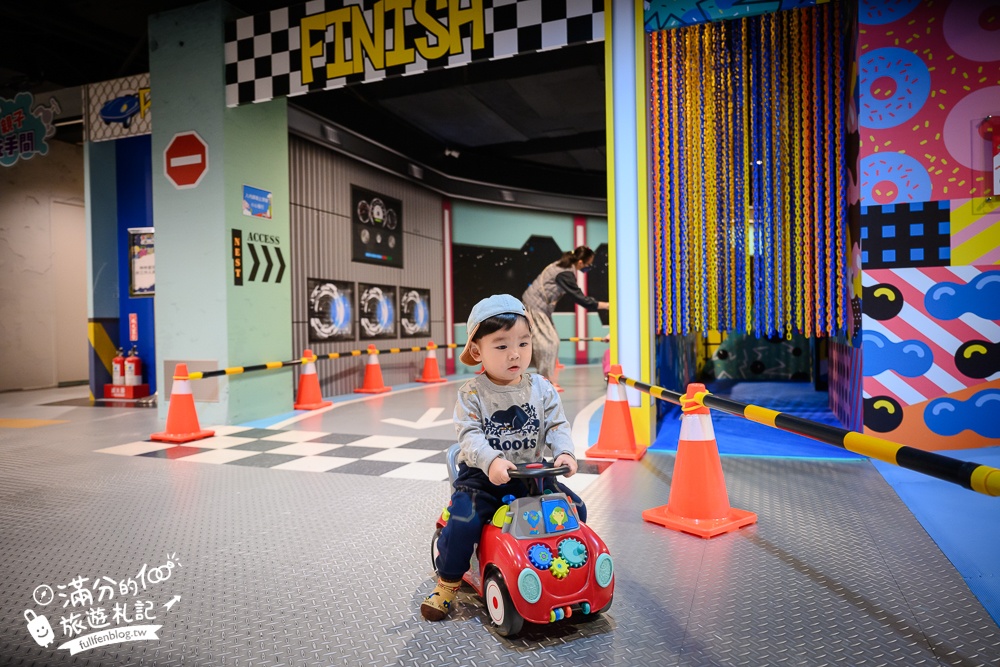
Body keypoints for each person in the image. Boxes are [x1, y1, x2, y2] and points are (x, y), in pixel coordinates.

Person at [420, 294, 587, 621]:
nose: (515, 354)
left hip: (535, 478)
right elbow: (469, 436)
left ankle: (566, 571)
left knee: (576, 509)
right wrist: (492, 461)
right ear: (478, 350)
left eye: (523, 344)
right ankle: (448, 583)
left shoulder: (541, 387)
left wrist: (564, 452)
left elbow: (556, 424)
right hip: (484, 481)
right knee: (465, 521)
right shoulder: (472, 393)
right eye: (501, 346)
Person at [522, 246, 609, 384]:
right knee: (550, 343)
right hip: (535, 307)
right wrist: (606, 305)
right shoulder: (565, 273)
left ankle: (542, 378)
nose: (588, 267)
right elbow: (580, 298)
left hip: (539, 307)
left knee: (550, 341)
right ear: (580, 262)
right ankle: (545, 382)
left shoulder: (562, 266)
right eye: (588, 264)